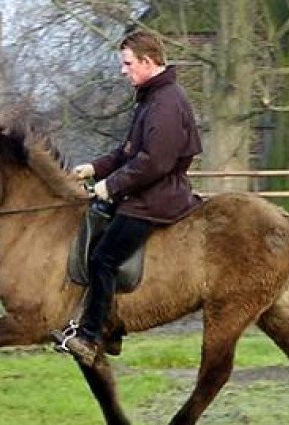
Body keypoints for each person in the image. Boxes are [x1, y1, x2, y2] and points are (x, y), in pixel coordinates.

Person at [52, 30, 202, 367]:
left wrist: (111, 186)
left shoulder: (165, 103)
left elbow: (155, 163)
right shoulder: (153, 97)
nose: (124, 71)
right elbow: (128, 152)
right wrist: (93, 168)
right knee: (98, 237)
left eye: (128, 63)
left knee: (103, 259)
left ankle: (92, 337)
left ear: (148, 62)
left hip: (156, 199)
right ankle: (112, 325)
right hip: (145, 192)